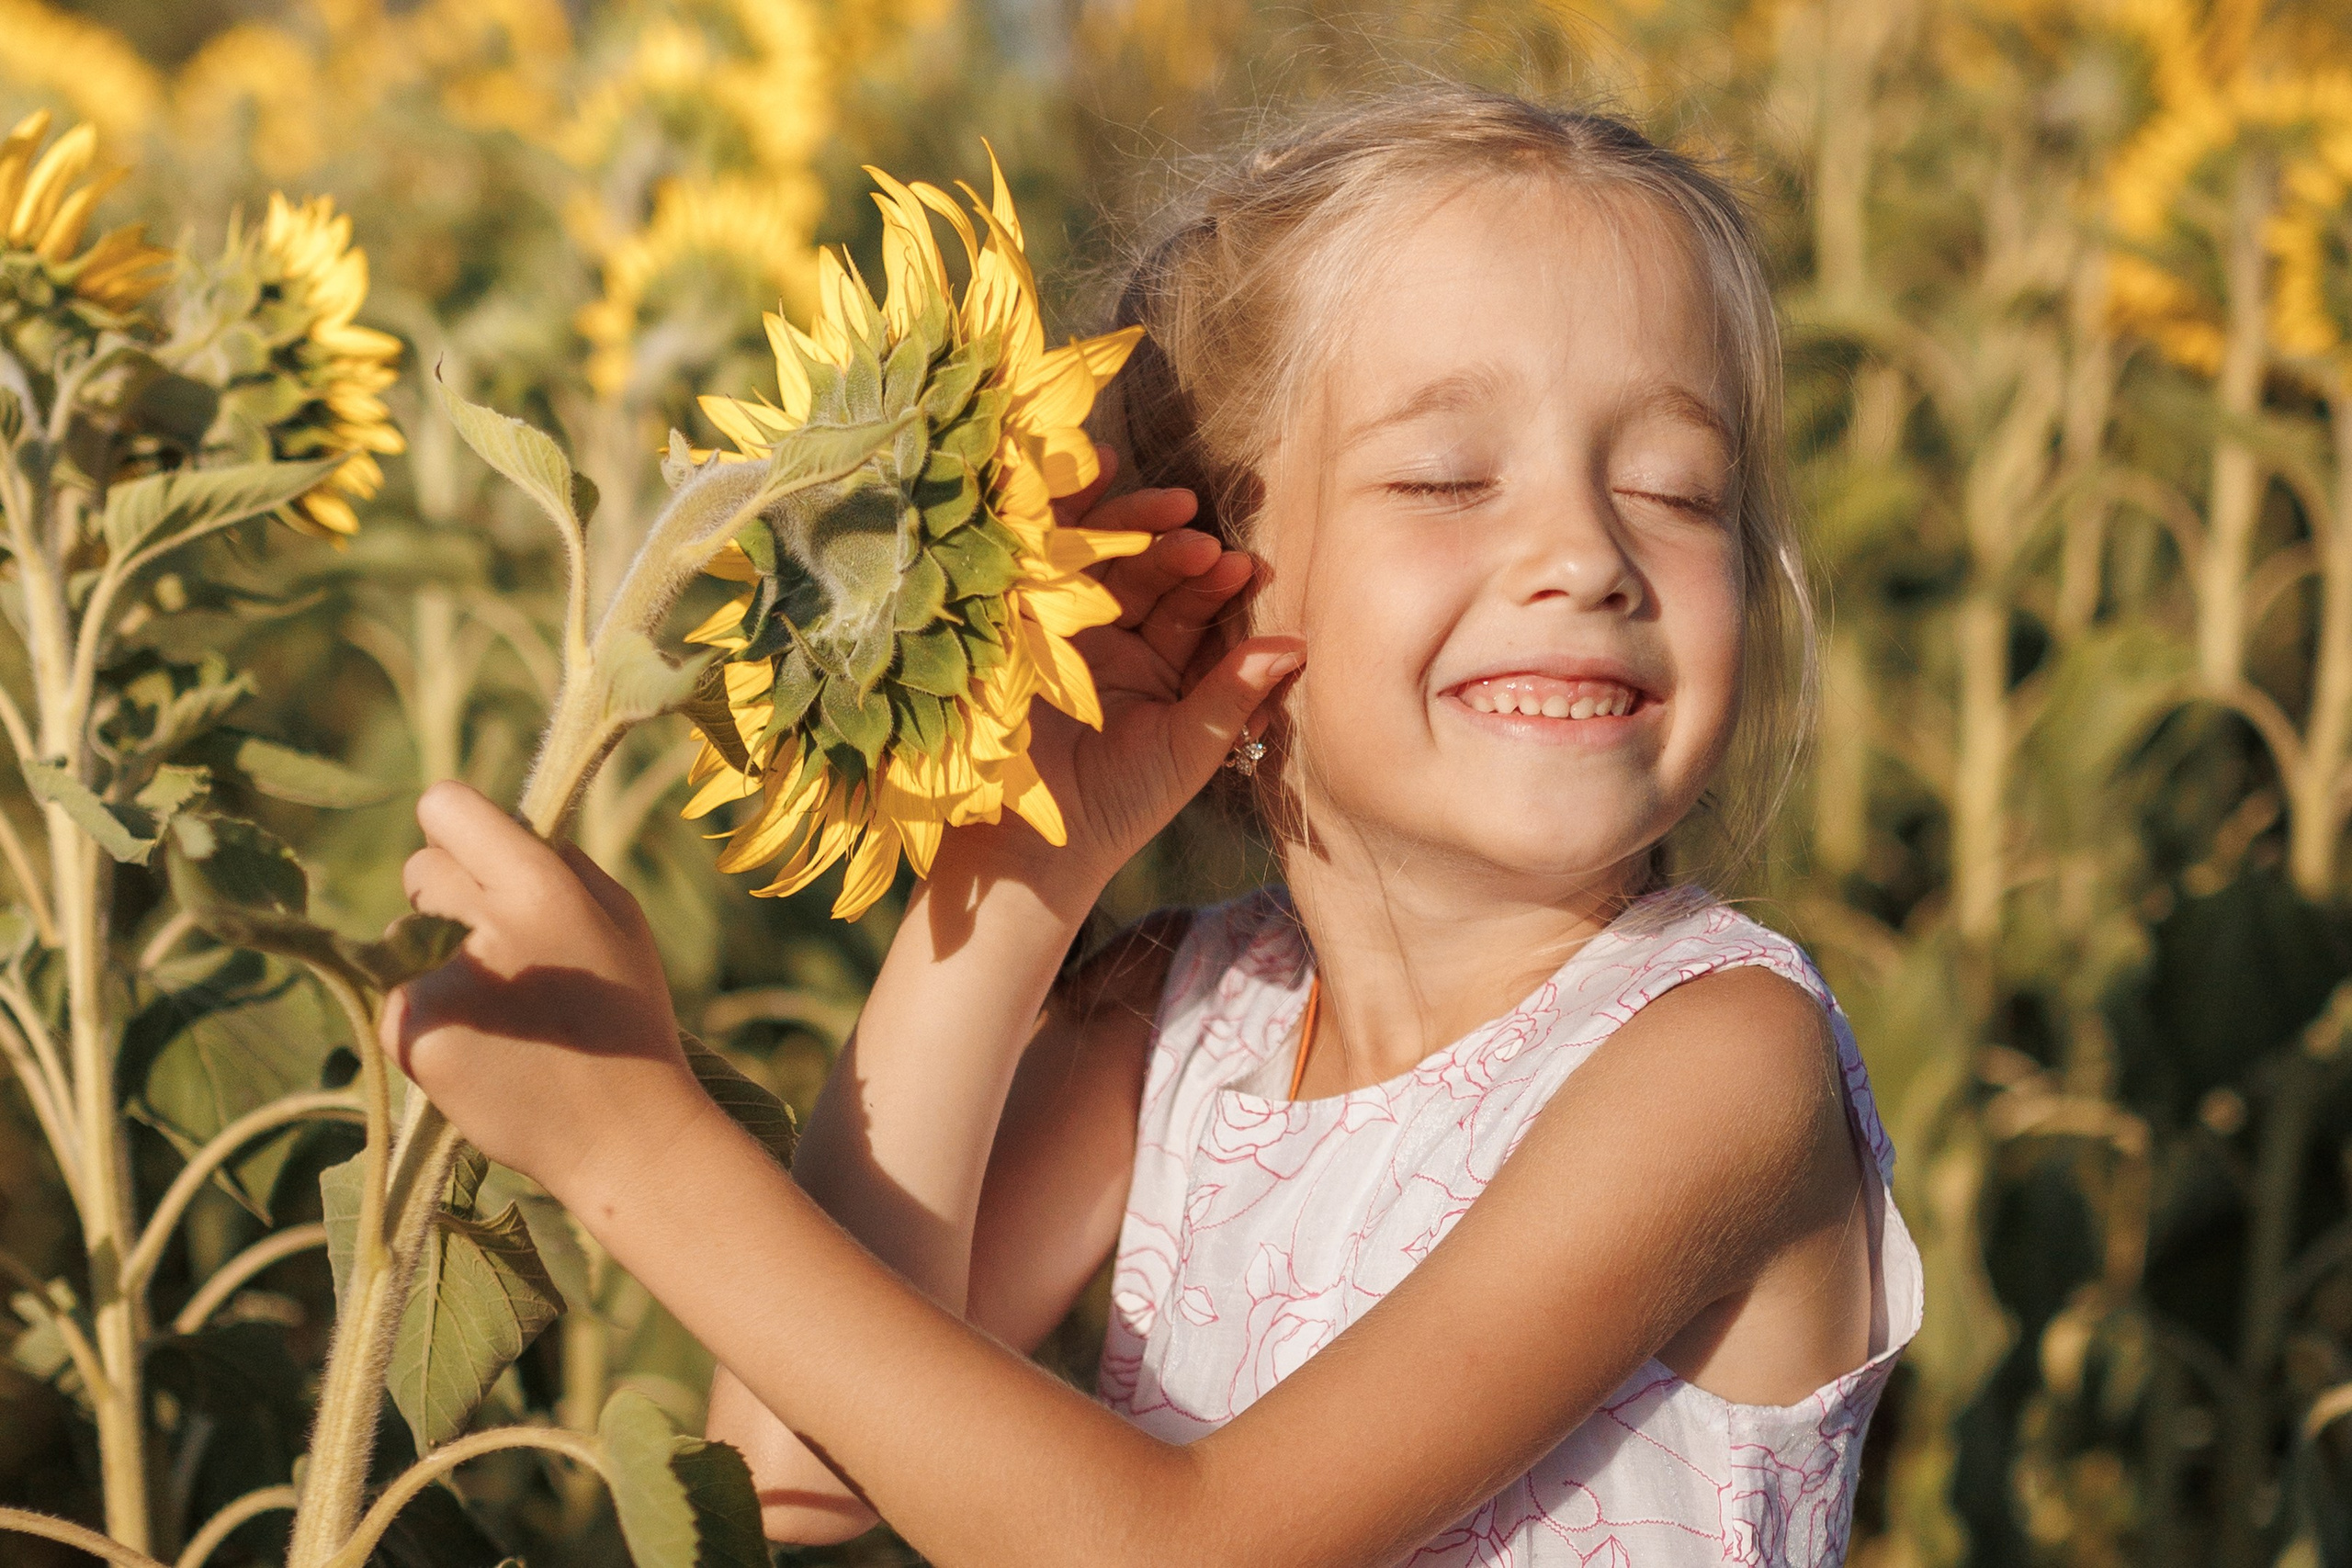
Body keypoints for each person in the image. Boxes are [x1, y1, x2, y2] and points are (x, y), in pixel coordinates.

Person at [389, 85, 1921, 1567]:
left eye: (1675, 488)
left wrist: (637, 1153)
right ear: (1222, 570)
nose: (1586, 553)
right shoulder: (1191, 1024)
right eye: (1451, 476)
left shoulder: (1718, 1061)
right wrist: (1020, 863)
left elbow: (1184, 1548)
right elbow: (798, 1463)